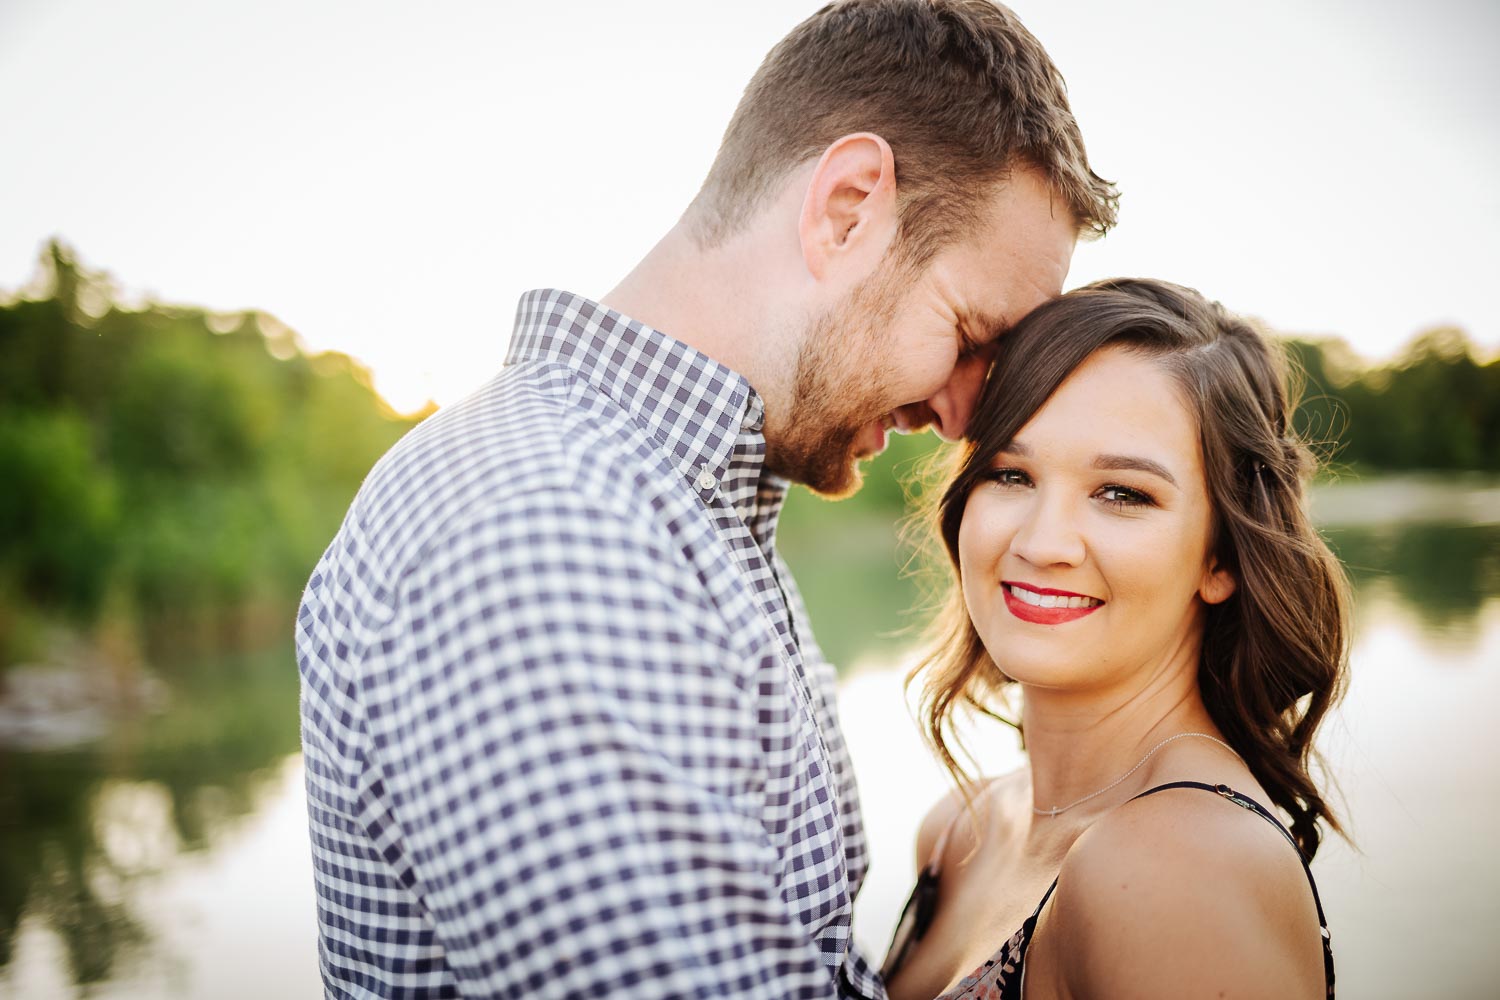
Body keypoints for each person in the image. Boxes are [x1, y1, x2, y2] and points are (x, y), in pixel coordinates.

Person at [295, 2, 1116, 997]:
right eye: (975, 333)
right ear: (848, 207)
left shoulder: (672, 511)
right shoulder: (557, 532)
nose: (964, 415)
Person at [882, 278, 1348, 999]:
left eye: (1123, 493)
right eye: (1011, 474)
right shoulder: (956, 832)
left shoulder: (1184, 867)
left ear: (1221, 556)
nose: (1042, 543)